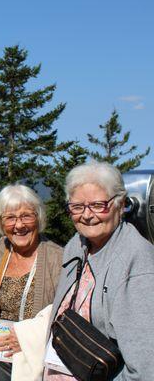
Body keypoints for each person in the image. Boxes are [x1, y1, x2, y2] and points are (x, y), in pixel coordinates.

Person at [44, 161, 154, 379]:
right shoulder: (77, 243)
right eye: (77, 207)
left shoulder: (136, 261)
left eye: (97, 205)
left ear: (121, 204)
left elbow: (145, 368)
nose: (86, 215)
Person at [0, 185, 63, 380]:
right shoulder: (1, 248)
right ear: (1, 222)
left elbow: (65, 314)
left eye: (26, 216)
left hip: (34, 363)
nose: (19, 225)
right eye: (10, 218)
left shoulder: (57, 258)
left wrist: (27, 339)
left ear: (38, 217)